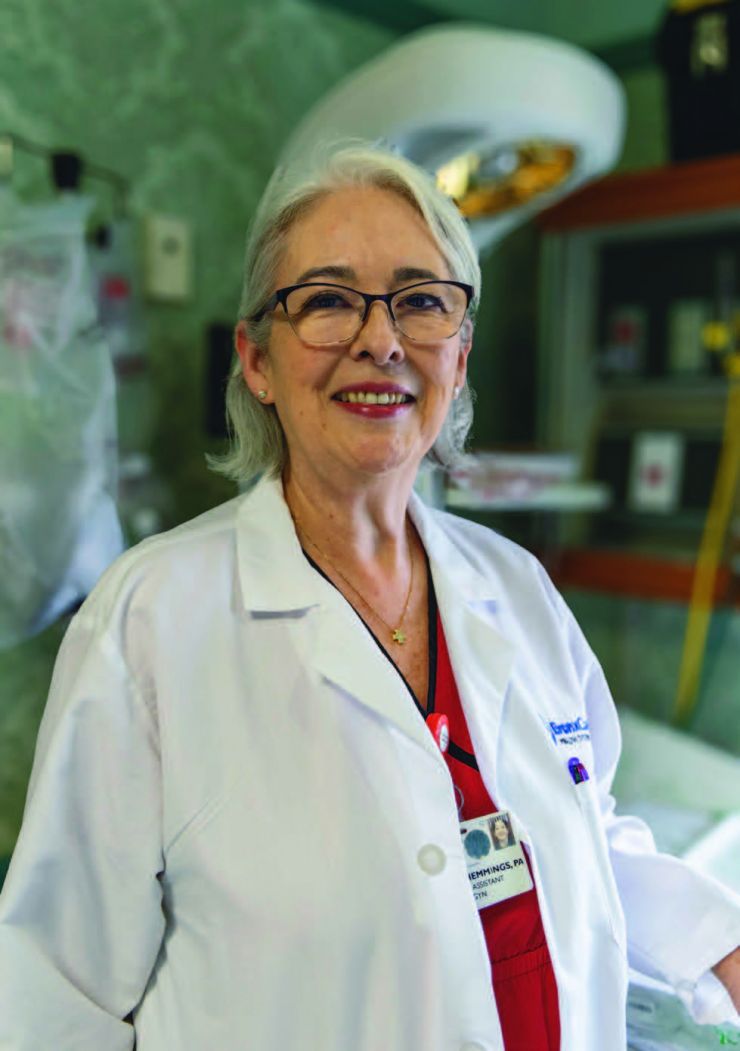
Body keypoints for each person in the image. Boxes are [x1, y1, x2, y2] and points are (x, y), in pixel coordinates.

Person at [0, 141, 739, 1051]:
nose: (381, 340)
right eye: (327, 301)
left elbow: (580, 831)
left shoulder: (516, 587)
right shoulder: (148, 620)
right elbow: (53, 994)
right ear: (257, 362)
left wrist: (720, 944)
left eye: (421, 301)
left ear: (459, 358)